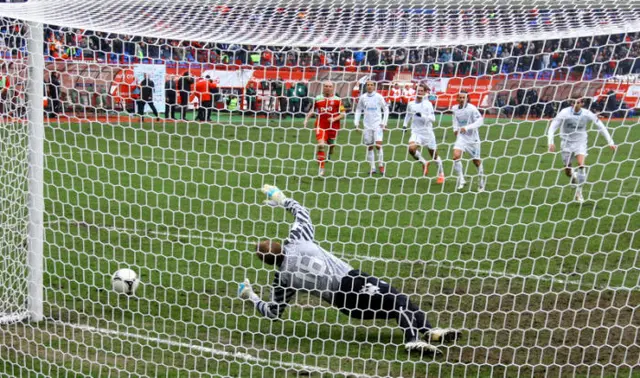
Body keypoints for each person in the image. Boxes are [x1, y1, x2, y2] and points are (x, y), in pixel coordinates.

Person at [238, 186, 461, 354]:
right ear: (278, 243)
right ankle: (412, 340)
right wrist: (281, 199)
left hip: (343, 304)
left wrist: (251, 295)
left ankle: (430, 332)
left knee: (397, 303)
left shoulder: (282, 280)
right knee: (398, 300)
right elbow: (302, 213)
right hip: (352, 282)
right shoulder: (297, 239)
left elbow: (273, 312)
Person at [548, 98, 617, 202]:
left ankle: (579, 192)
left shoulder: (587, 113)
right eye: (574, 102)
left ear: (582, 103)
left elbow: (601, 127)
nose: (576, 104)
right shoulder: (564, 113)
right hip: (566, 142)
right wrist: (550, 142)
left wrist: (610, 142)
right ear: (571, 103)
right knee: (567, 170)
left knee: (581, 165)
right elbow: (553, 127)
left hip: (580, 142)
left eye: (579, 102)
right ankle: (573, 175)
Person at [403, 84, 445, 182]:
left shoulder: (428, 104)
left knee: (434, 155)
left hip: (427, 132)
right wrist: (404, 125)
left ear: (424, 92)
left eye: (421, 91)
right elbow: (408, 115)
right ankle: (424, 162)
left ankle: (441, 174)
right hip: (416, 131)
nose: (419, 92)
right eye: (418, 90)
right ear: (416, 91)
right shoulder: (411, 104)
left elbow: (433, 119)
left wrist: (422, 115)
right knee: (411, 149)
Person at [304, 81, 345, 177]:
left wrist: (334, 119)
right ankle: (321, 169)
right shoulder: (318, 98)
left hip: (333, 127)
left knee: (331, 145)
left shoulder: (338, 100)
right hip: (320, 125)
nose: (328, 88)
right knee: (321, 145)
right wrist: (306, 119)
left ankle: (330, 152)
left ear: (333, 88)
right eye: (326, 86)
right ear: (323, 87)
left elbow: (343, 114)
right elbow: (312, 110)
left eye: (330, 86)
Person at [451, 91, 485, 191]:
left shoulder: (472, 109)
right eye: (460, 98)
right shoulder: (454, 108)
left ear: (467, 99)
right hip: (461, 137)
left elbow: (480, 121)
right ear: (457, 98)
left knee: (476, 161)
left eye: (463, 98)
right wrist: (454, 129)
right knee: (456, 156)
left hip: (473, 138)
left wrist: (467, 127)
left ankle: (481, 182)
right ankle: (461, 180)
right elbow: (455, 120)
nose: (461, 100)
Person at [354, 80, 389, 176]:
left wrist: (384, 123)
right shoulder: (363, 97)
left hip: (377, 125)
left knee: (378, 145)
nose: (369, 86)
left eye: (371, 85)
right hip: (367, 125)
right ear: (366, 87)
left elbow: (386, 109)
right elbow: (358, 109)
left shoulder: (379, 97)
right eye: (368, 85)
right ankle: (373, 168)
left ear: (374, 86)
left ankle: (381, 165)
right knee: (370, 147)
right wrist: (356, 123)